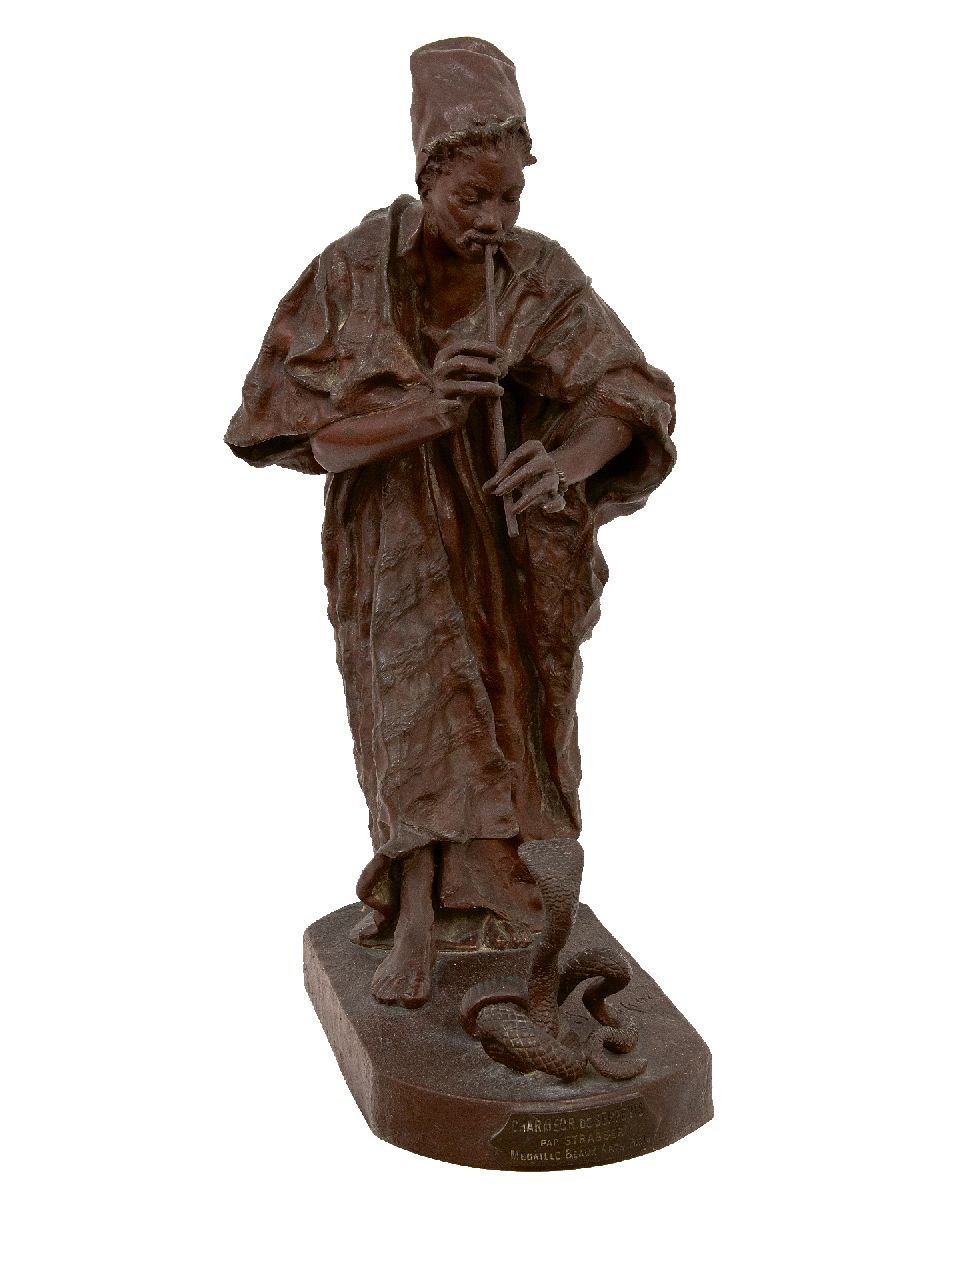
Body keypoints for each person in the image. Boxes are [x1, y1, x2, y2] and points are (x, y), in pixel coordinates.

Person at [226, 37, 676, 1007]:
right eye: (473, 198)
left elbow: (624, 389)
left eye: (510, 197)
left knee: (515, 702)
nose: (494, 220)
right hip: (394, 528)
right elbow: (296, 432)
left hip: (508, 535)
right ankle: (417, 912)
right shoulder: (353, 274)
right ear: (426, 172)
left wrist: (564, 462)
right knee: (412, 707)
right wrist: (421, 412)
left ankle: (504, 896)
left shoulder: (536, 272)